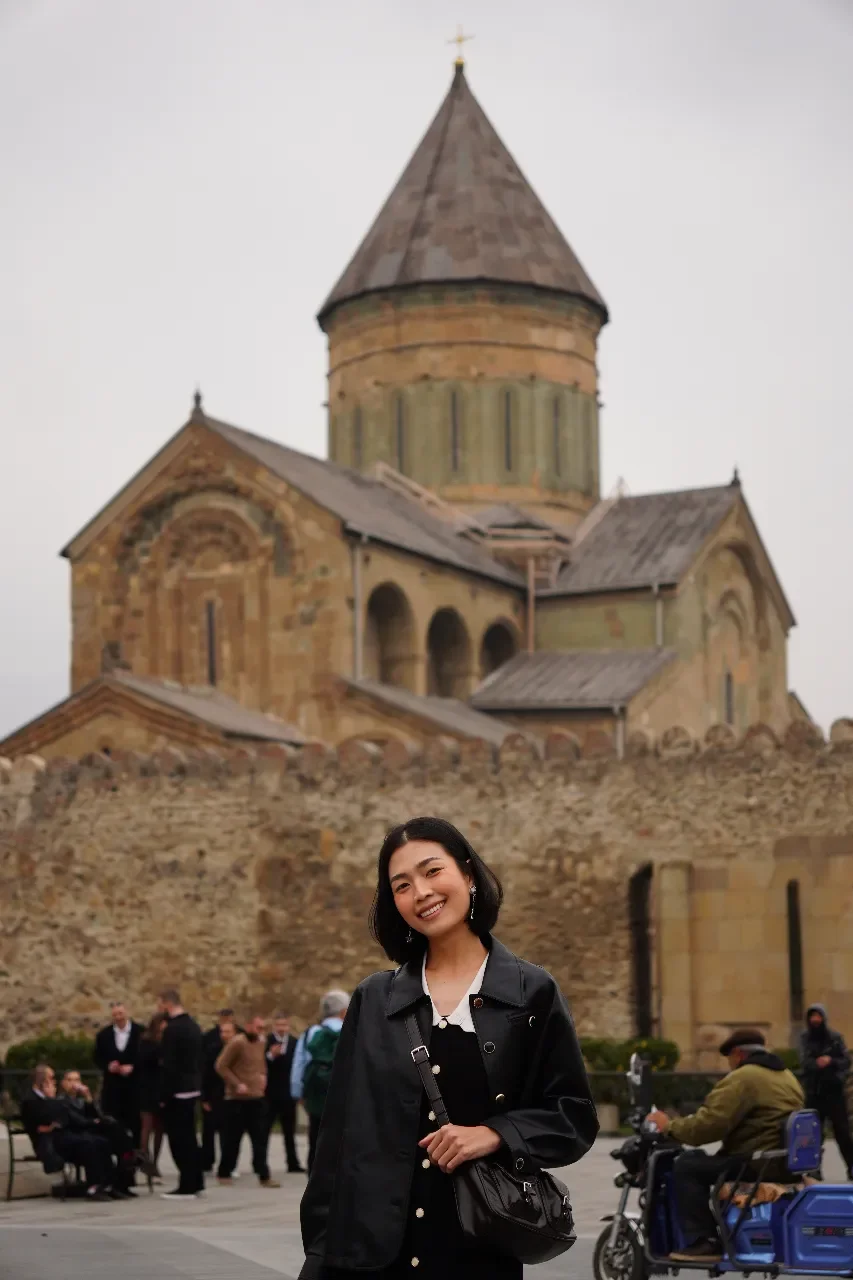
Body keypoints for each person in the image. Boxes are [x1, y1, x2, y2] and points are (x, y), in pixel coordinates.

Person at [299, 815, 597, 1280]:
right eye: (401, 885)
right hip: (368, 1257)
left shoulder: (530, 992)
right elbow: (338, 1139)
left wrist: (496, 1133)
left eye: (432, 871)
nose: (420, 892)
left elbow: (573, 1116)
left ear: (469, 875)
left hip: (477, 1252)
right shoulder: (374, 999)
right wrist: (318, 1253)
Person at [646, 1027, 804, 1263]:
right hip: (781, 1161)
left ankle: (705, 1242)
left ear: (738, 1054)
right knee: (700, 1159)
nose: (729, 1064)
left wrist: (668, 1126)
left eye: (729, 1058)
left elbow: (708, 1126)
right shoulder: (786, 1076)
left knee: (686, 1166)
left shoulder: (744, 1077)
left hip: (757, 1163)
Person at [20, 1064, 115, 1200]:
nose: (54, 1082)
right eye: (51, 1078)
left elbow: (63, 1118)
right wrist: (51, 1102)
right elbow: (46, 1120)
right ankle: (93, 1187)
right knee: (88, 1144)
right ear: (42, 1079)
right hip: (49, 1142)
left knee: (101, 1142)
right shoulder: (30, 1099)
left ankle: (107, 1185)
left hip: (62, 1134)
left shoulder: (50, 1097)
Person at [216, 1012, 281, 1188]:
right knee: (232, 1139)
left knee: (260, 1138)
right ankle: (224, 1172)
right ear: (248, 1026)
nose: (261, 1031)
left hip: (257, 1097)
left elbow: (260, 1063)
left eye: (263, 1028)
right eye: (258, 1027)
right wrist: (236, 1084)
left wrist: (263, 1076)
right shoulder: (237, 1043)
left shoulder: (261, 1042)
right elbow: (221, 1065)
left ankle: (263, 1175)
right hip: (236, 1099)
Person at [291, 990, 349, 1174]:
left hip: (315, 1096)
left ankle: (314, 1176)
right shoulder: (350, 1031)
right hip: (342, 1096)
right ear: (343, 1012)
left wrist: (298, 1092)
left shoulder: (311, 1033)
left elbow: (299, 1064)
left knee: (315, 1136)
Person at [58, 1069, 138, 1196]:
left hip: (89, 1131)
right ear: (63, 1083)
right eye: (70, 1080)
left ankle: (125, 1170)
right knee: (103, 1140)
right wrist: (95, 1122)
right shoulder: (61, 1101)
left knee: (118, 1133)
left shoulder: (82, 1101)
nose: (74, 1083)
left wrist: (89, 1097)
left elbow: (97, 1115)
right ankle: (130, 1158)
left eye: (77, 1080)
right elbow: (77, 1120)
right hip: (77, 1135)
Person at [159, 987, 205, 1200]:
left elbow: (169, 1066)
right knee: (191, 1138)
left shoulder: (172, 1030)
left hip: (176, 1092)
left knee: (179, 1140)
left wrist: (163, 1096)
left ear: (167, 1004)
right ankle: (196, 1181)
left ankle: (186, 1185)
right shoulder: (194, 1026)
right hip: (192, 1089)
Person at [800, 1003, 853, 1177]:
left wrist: (830, 1061)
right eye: (812, 1016)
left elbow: (845, 1061)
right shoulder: (805, 1039)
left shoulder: (835, 1038)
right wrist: (817, 1064)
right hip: (814, 1093)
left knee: (843, 1132)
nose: (815, 1020)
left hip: (834, 1093)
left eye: (818, 1016)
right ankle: (813, 1170)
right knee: (813, 1134)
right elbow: (804, 1062)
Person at [93, 1001, 143, 1146]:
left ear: (127, 1012)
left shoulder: (140, 1032)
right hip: (113, 1087)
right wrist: (108, 1066)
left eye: (120, 1013)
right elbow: (97, 1057)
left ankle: (137, 1151)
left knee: (136, 1122)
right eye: (115, 1014)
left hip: (134, 1086)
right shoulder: (104, 1035)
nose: (118, 1017)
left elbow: (147, 1056)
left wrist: (133, 1067)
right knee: (114, 1120)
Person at [265, 1011, 304, 1174]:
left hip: (288, 1094)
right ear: (274, 1025)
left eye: (284, 1025)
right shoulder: (267, 1041)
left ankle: (292, 1163)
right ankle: (261, 1164)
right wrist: (270, 1056)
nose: (282, 1028)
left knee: (289, 1130)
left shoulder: (295, 1043)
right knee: (264, 1130)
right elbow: (259, 1064)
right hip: (270, 1094)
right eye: (279, 1025)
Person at [202, 1008, 237, 1172]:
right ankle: (207, 1160)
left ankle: (228, 1163)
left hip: (233, 1094)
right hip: (214, 1093)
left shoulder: (240, 1045)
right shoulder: (210, 1044)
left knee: (229, 1131)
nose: (225, 1034)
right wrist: (203, 1097)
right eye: (223, 1030)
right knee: (209, 1130)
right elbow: (205, 1072)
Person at [138, 1011, 168, 1180]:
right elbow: (145, 1060)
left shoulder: (166, 1041)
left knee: (159, 1127)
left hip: (161, 1088)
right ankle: (145, 1160)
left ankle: (154, 1162)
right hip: (148, 1087)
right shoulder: (147, 1041)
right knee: (147, 1125)